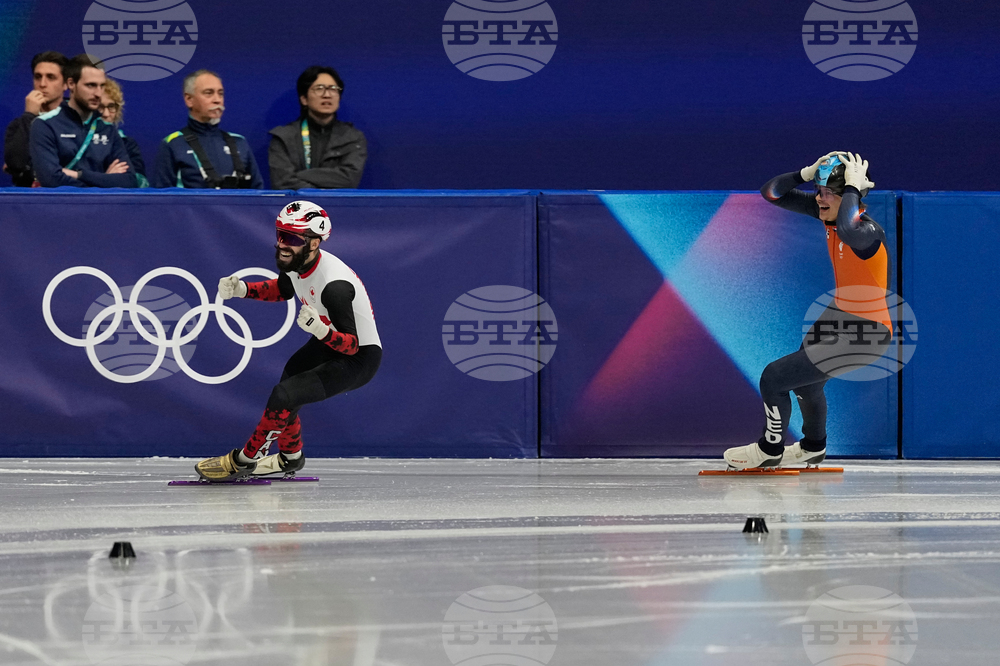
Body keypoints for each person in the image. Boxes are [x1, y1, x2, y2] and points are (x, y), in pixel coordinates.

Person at [723, 152, 890, 470]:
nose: (820, 199)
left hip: (867, 333)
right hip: (839, 314)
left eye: (829, 193)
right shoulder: (829, 215)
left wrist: (852, 189)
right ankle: (813, 446)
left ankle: (769, 450)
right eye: (819, 191)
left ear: (851, 195)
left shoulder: (867, 233)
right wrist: (805, 174)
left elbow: (849, 228)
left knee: (774, 377)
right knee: (805, 382)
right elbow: (771, 193)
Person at [195, 201, 382, 482]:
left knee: (285, 395)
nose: (282, 244)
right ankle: (290, 457)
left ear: (314, 243)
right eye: (280, 235)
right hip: (327, 340)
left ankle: (245, 460)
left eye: (292, 239)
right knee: (287, 388)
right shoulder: (298, 261)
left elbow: (351, 346)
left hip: (358, 357)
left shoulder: (334, 286)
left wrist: (320, 330)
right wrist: (241, 289)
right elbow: (282, 288)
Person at [28, 54, 137, 188]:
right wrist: (105, 179)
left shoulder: (107, 129)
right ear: (71, 84)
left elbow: (129, 181)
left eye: (102, 86)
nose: (98, 93)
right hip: (61, 202)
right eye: (91, 85)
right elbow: (51, 180)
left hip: (100, 202)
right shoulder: (45, 125)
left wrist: (79, 175)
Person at [151, 69, 263, 189]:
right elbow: (161, 196)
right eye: (208, 93)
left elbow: (258, 193)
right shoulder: (173, 143)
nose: (217, 100)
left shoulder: (239, 142)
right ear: (189, 99)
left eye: (220, 93)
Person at [268, 65, 367, 189]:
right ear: (304, 99)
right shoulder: (284, 138)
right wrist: (318, 194)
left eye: (333, 89)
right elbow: (282, 182)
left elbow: (349, 179)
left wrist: (300, 175)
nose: (327, 95)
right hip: (299, 202)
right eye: (319, 89)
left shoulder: (353, 137)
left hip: (336, 202)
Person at [3, 51, 69, 186]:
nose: (42, 84)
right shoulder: (20, 125)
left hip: (70, 194)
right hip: (29, 196)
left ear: (66, 84)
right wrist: (29, 116)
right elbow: (15, 164)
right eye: (38, 77)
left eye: (51, 77)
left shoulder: (79, 121)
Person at [99, 77, 148, 187]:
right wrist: (106, 179)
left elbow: (141, 183)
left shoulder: (128, 144)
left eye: (111, 107)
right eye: (100, 107)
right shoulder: (76, 142)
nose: (106, 114)